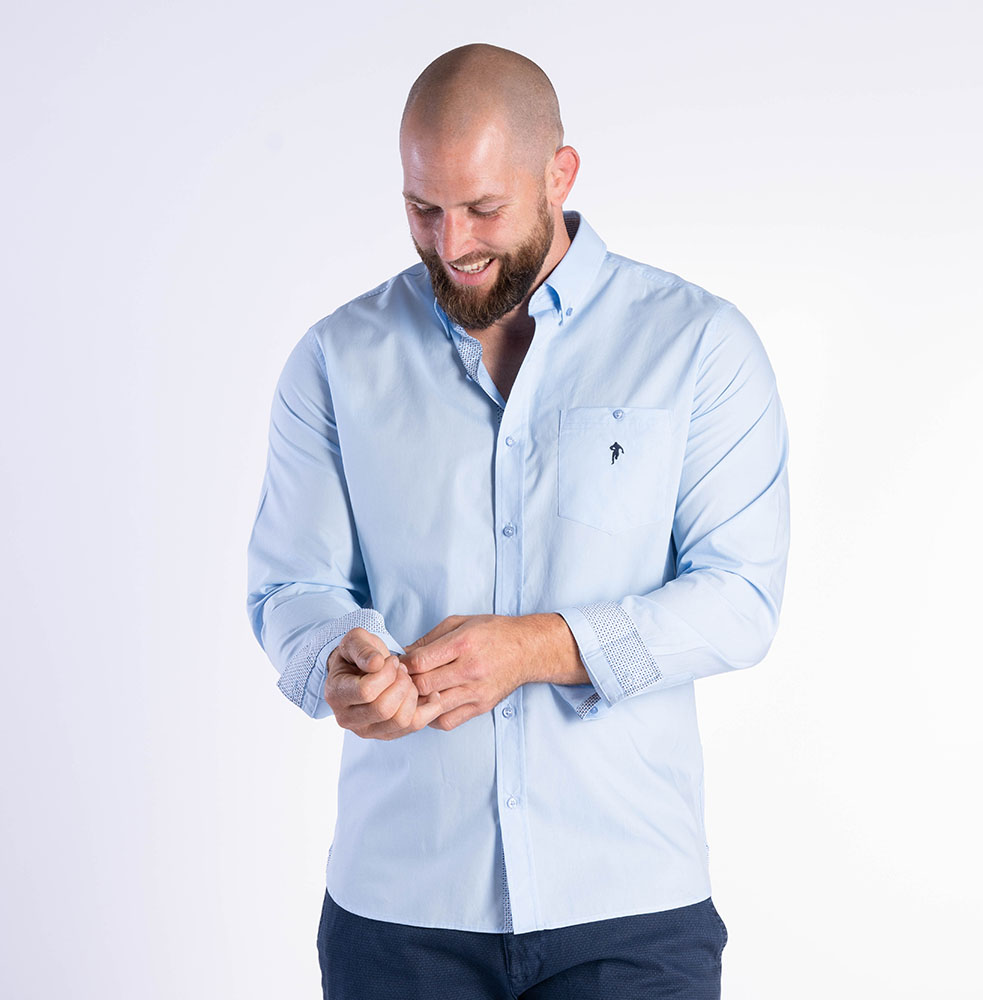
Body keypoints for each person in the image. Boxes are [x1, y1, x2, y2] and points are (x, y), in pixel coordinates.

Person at [247, 42, 790, 1000]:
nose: (451, 243)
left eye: (483, 209)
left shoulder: (699, 345)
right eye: (423, 209)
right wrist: (337, 658)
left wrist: (539, 647)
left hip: (629, 910)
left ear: (559, 175)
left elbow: (742, 597)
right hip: (399, 914)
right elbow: (291, 586)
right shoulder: (336, 358)